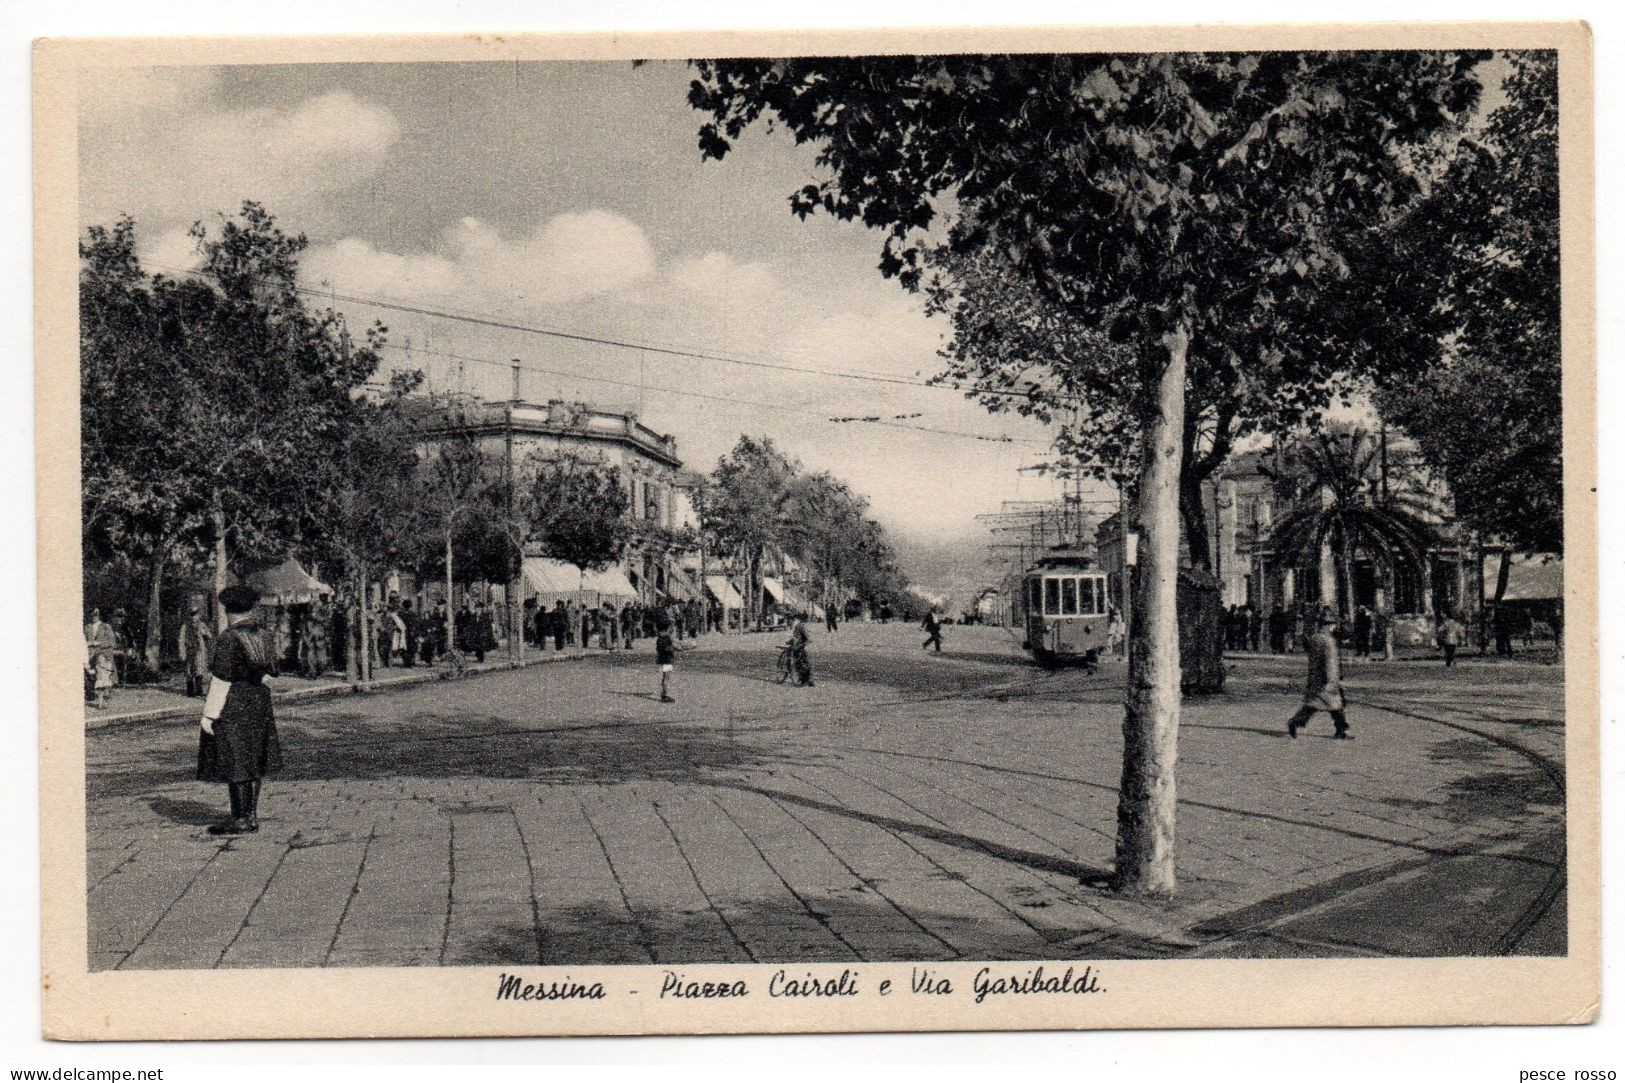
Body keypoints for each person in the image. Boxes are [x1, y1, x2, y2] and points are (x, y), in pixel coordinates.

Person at [197, 585, 283, 835]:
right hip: (259, 701)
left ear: (227, 610)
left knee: (236, 758)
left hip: (235, 702)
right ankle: (251, 815)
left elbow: (221, 680)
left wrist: (209, 715)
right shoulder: (265, 634)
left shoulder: (229, 637)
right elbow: (271, 673)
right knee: (254, 756)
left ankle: (240, 818)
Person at [1286, 605, 1351, 740]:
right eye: (1333, 625)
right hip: (1326, 680)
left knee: (1317, 704)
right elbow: (1330, 663)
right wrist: (1333, 680)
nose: (1334, 627)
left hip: (1315, 677)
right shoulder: (1328, 641)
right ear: (1328, 625)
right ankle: (1339, 730)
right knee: (1331, 705)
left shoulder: (1315, 638)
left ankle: (1340, 729)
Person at [84, 608, 118, 708]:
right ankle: (96, 698)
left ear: (99, 615)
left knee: (101, 678)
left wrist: (99, 643)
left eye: (97, 614)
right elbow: (83, 641)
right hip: (89, 655)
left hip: (102, 656)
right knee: (91, 677)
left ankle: (101, 701)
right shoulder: (87, 627)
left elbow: (112, 642)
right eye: (93, 614)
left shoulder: (106, 627)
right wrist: (88, 643)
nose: (94, 616)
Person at [179, 603, 213, 697]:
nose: (194, 617)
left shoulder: (202, 625)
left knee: (199, 670)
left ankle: (199, 690)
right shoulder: (185, 626)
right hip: (189, 650)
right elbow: (181, 640)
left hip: (199, 651)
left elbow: (210, 636)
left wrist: (204, 632)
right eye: (192, 615)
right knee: (189, 671)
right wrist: (182, 652)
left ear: (198, 615)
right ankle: (190, 692)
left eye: (196, 614)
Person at [655, 618, 678, 703]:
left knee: (665, 676)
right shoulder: (667, 638)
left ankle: (663, 693)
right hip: (668, 659)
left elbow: (659, 649)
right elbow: (669, 648)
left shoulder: (659, 638)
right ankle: (664, 695)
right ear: (668, 628)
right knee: (666, 677)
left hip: (662, 658)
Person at [788, 613, 815, 686]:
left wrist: (800, 645)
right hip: (797, 648)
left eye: (793, 620)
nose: (791, 621)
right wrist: (790, 642)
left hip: (800, 649)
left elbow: (808, 639)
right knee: (801, 664)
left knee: (802, 664)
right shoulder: (797, 626)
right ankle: (808, 680)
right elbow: (797, 638)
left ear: (797, 620)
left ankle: (806, 680)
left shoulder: (801, 626)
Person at [399, 600, 419, 668]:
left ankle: (407, 662)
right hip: (408, 633)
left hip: (405, 633)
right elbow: (415, 623)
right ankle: (408, 662)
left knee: (405, 648)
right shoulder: (411, 613)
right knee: (409, 648)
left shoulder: (401, 614)